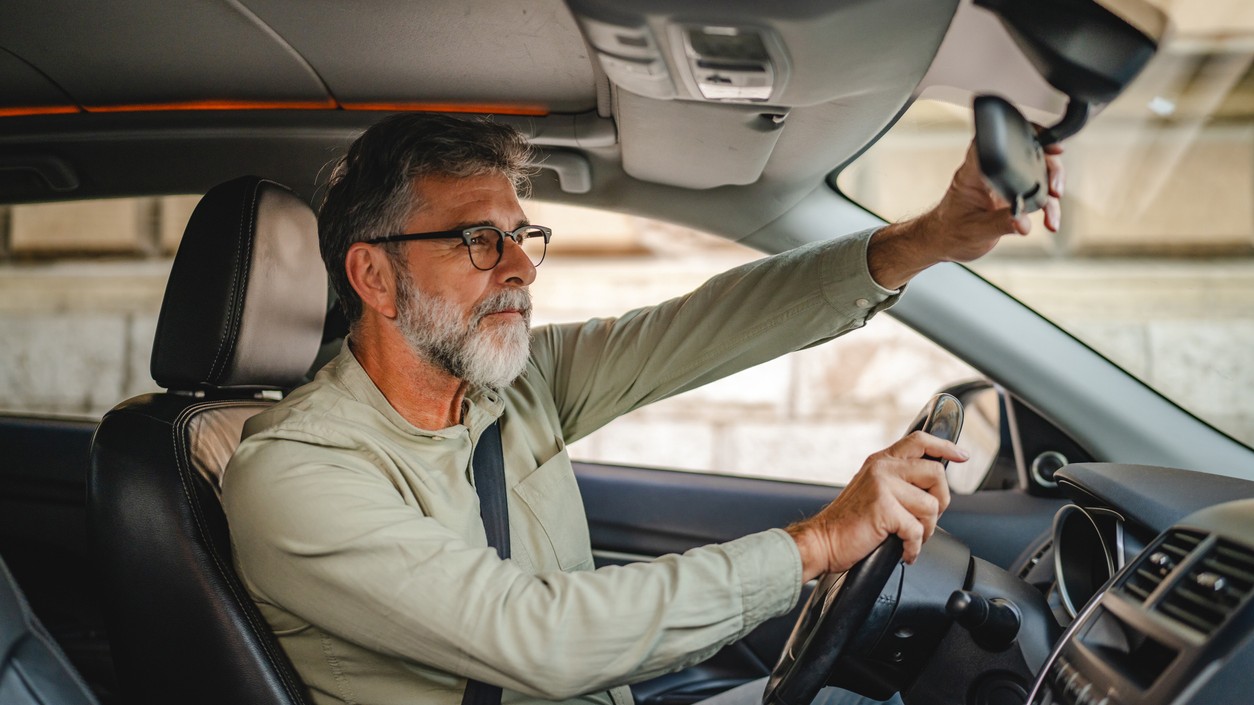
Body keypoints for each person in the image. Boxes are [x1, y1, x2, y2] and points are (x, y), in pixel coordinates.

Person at [221, 113, 1063, 705]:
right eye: (480, 240)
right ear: (373, 277)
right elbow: (537, 638)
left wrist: (936, 236)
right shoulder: (295, 474)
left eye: (523, 235)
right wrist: (815, 544)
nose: (520, 266)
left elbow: (709, 325)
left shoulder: (512, 385)